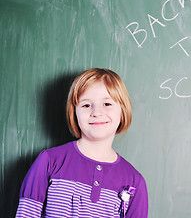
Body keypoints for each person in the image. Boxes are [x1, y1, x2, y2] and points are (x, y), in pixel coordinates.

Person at [15, 68, 148, 217]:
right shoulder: (49, 161)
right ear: (74, 112)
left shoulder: (135, 181)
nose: (96, 112)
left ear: (123, 111)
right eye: (86, 105)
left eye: (107, 104)